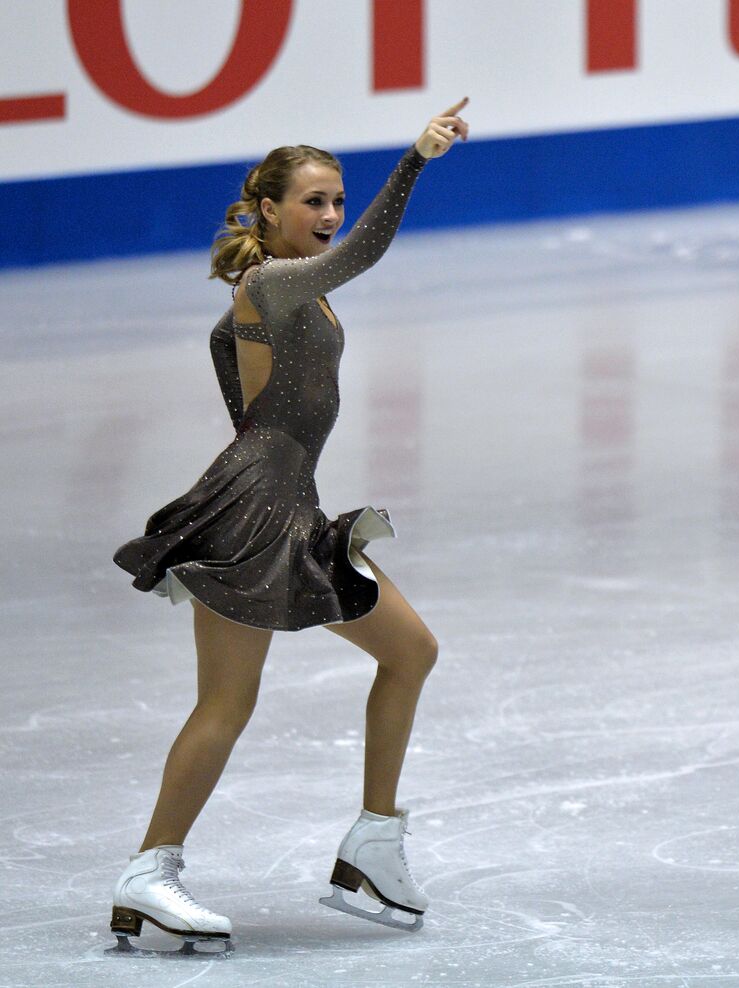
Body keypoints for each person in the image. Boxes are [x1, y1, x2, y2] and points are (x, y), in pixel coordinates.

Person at [109, 100, 469, 953]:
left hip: (282, 502)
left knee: (407, 651)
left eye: (338, 199)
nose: (331, 216)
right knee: (226, 704)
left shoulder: (266, 291)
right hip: (255, 511)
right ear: (269, 210)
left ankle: (372, 846)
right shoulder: (270, 282)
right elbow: (368, 252)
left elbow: (250, 371)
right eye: (314, 201)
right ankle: (149, 874)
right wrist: (415, 159)